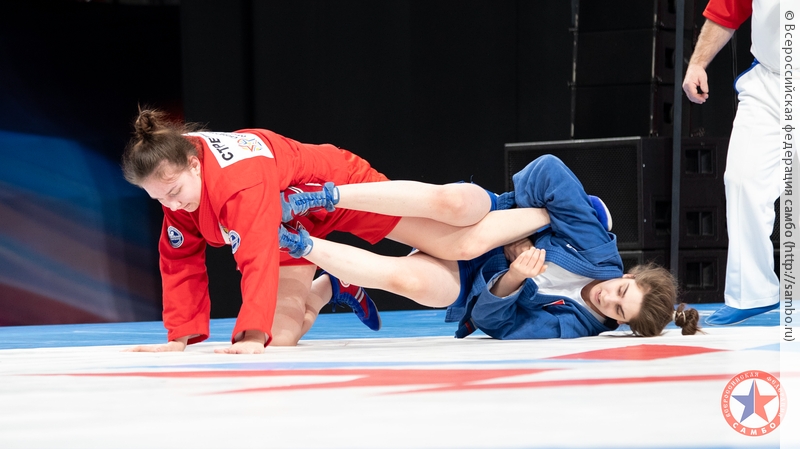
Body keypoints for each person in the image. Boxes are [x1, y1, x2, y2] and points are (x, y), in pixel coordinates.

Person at [121, 108, 550, 354]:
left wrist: (250, 334)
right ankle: (335, 284)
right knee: (280, 339)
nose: (172, 206)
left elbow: (255, 256)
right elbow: (179, 261)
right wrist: (179, 338)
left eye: (174, 193)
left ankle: (543, 210)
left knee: (457, 243)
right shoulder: (177, 184)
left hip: (334, 190)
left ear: (194, 164)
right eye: (160, 200)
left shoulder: (239, 182)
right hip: (287, 223)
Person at [280, 155, 701, 338]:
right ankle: (324, 197)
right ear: (628, 274)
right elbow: (548, 171)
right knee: (452, 206)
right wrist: (518, 230)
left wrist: (514, 278)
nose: (608, 298)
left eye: (617, 310)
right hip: (489, 219)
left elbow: (492, 321)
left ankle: (299, 244)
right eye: (621, 290)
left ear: (620, 323)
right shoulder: (598, 251)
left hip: (470, 281)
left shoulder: (574, 326)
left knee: (414, 283)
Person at [681, 0, 779, 325]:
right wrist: (698, 63)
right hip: (771, 82)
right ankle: (751, 294)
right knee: (742, 179)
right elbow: (727, 10)